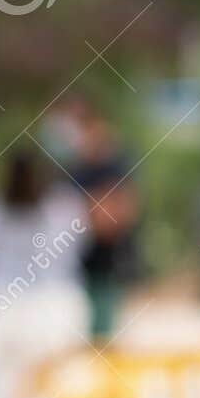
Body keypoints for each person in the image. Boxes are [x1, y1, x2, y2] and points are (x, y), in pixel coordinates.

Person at [0, 149, 88, 398]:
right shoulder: (62, 206)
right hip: (44, 305)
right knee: (51, 389)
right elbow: (75, 249)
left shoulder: (0, 208)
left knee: (12, 390)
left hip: (13, 304)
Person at [63, 105, 140, 341]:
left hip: (109, 259)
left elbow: (123, 209)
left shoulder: (115, 168)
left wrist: (101, 217)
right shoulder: (76, 171)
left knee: (105, 326)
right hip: (78, 261)